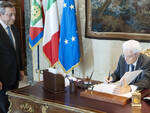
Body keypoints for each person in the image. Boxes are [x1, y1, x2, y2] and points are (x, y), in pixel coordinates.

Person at [0, 1, 24, 113]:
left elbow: (18, 51)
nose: (14, 18)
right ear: (1, 14)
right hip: (2, 78)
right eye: (10, 15)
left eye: (14, 14)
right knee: (3, 107)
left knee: (13, 104)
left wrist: (21, 69)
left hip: (14, 76)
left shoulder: (13, 29)